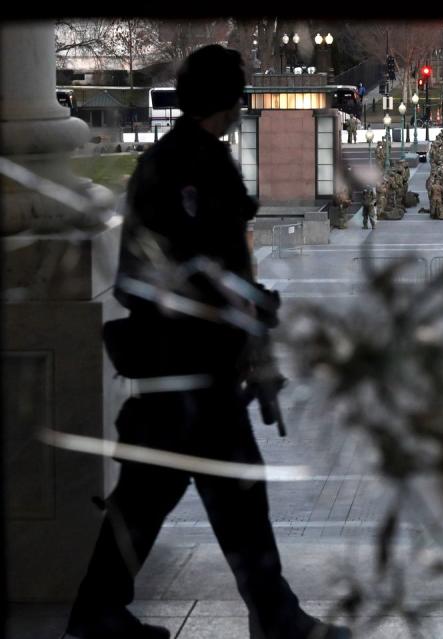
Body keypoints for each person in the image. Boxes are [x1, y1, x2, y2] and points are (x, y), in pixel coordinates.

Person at [64, 45, 351, 639]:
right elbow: (213, 267)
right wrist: (248, 319)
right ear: (229, 98)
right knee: (220, 499)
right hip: (194, 369)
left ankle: (101, 615)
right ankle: (272, 619)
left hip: (176, 369)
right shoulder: (199, 165)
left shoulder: (164, 162)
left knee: (158, 501)